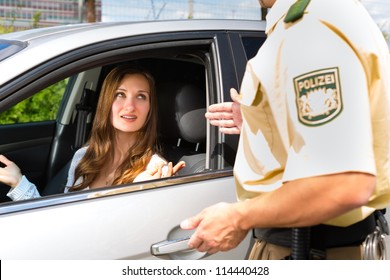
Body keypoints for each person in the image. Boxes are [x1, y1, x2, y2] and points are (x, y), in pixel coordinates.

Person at [181, 0, 390, 259]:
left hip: (309, 249)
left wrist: (237, 218)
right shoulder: (318, 17)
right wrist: (260, 122)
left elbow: (342, 182)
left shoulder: (310, 27)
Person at [0, 65, 185, 200]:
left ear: (150, 108)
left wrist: (140, 191)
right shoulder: (84, 156)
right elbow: (60, 222)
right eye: (120, 94)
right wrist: (19, 183)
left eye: (141, 96)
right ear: (106, 102)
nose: (130, 106)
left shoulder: (156, 171)